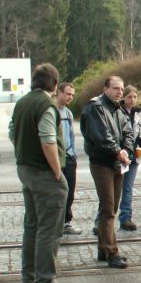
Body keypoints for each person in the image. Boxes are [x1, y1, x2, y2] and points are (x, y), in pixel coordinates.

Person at [9, 63, 70, 283]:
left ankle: (29, 277)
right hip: (44, 173)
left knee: (32, 225)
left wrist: (24, 150)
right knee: (49, 229)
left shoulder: (22, 103)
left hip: (25, 169)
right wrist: (57, 171)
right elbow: (48, 140)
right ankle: (45, 280)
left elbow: (12, 132)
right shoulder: (46, 105)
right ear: (55, 84)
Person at [80, 76, 133, 269]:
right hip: (102, 163)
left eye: (121, 89)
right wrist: (119, 152)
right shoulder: (96, 107)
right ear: (105, 89)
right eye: (115, 88)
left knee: (111, 208)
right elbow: (101, 136)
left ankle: (104, 248)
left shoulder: (118, 109)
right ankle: (112, 252)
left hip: (118, 163)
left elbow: (128, 132)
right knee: (108, 207)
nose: (120, 92)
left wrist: (125, 150)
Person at [117, 85, 141, 231]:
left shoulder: (140, 114)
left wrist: (140, 150)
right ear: (124, 98)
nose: (132, 100)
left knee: (128, 188)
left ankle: (126, 217)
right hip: (120, 154)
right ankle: (101, 219)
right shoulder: (117, 111)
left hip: (134, 155)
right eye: (129, 97)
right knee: (113, 188)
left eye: (135, 97)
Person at [55, 82, 82, 235]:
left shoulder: (69, 113)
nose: (70, 97)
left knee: (69, 192)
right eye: (67, 94)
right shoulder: (51, 111)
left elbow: (71, 135)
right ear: (59, 92)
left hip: (69, 158)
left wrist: (73, 154)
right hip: (57, 159)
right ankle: (56, 223)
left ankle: (66, 222)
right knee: (57, 192)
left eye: (72, 94)